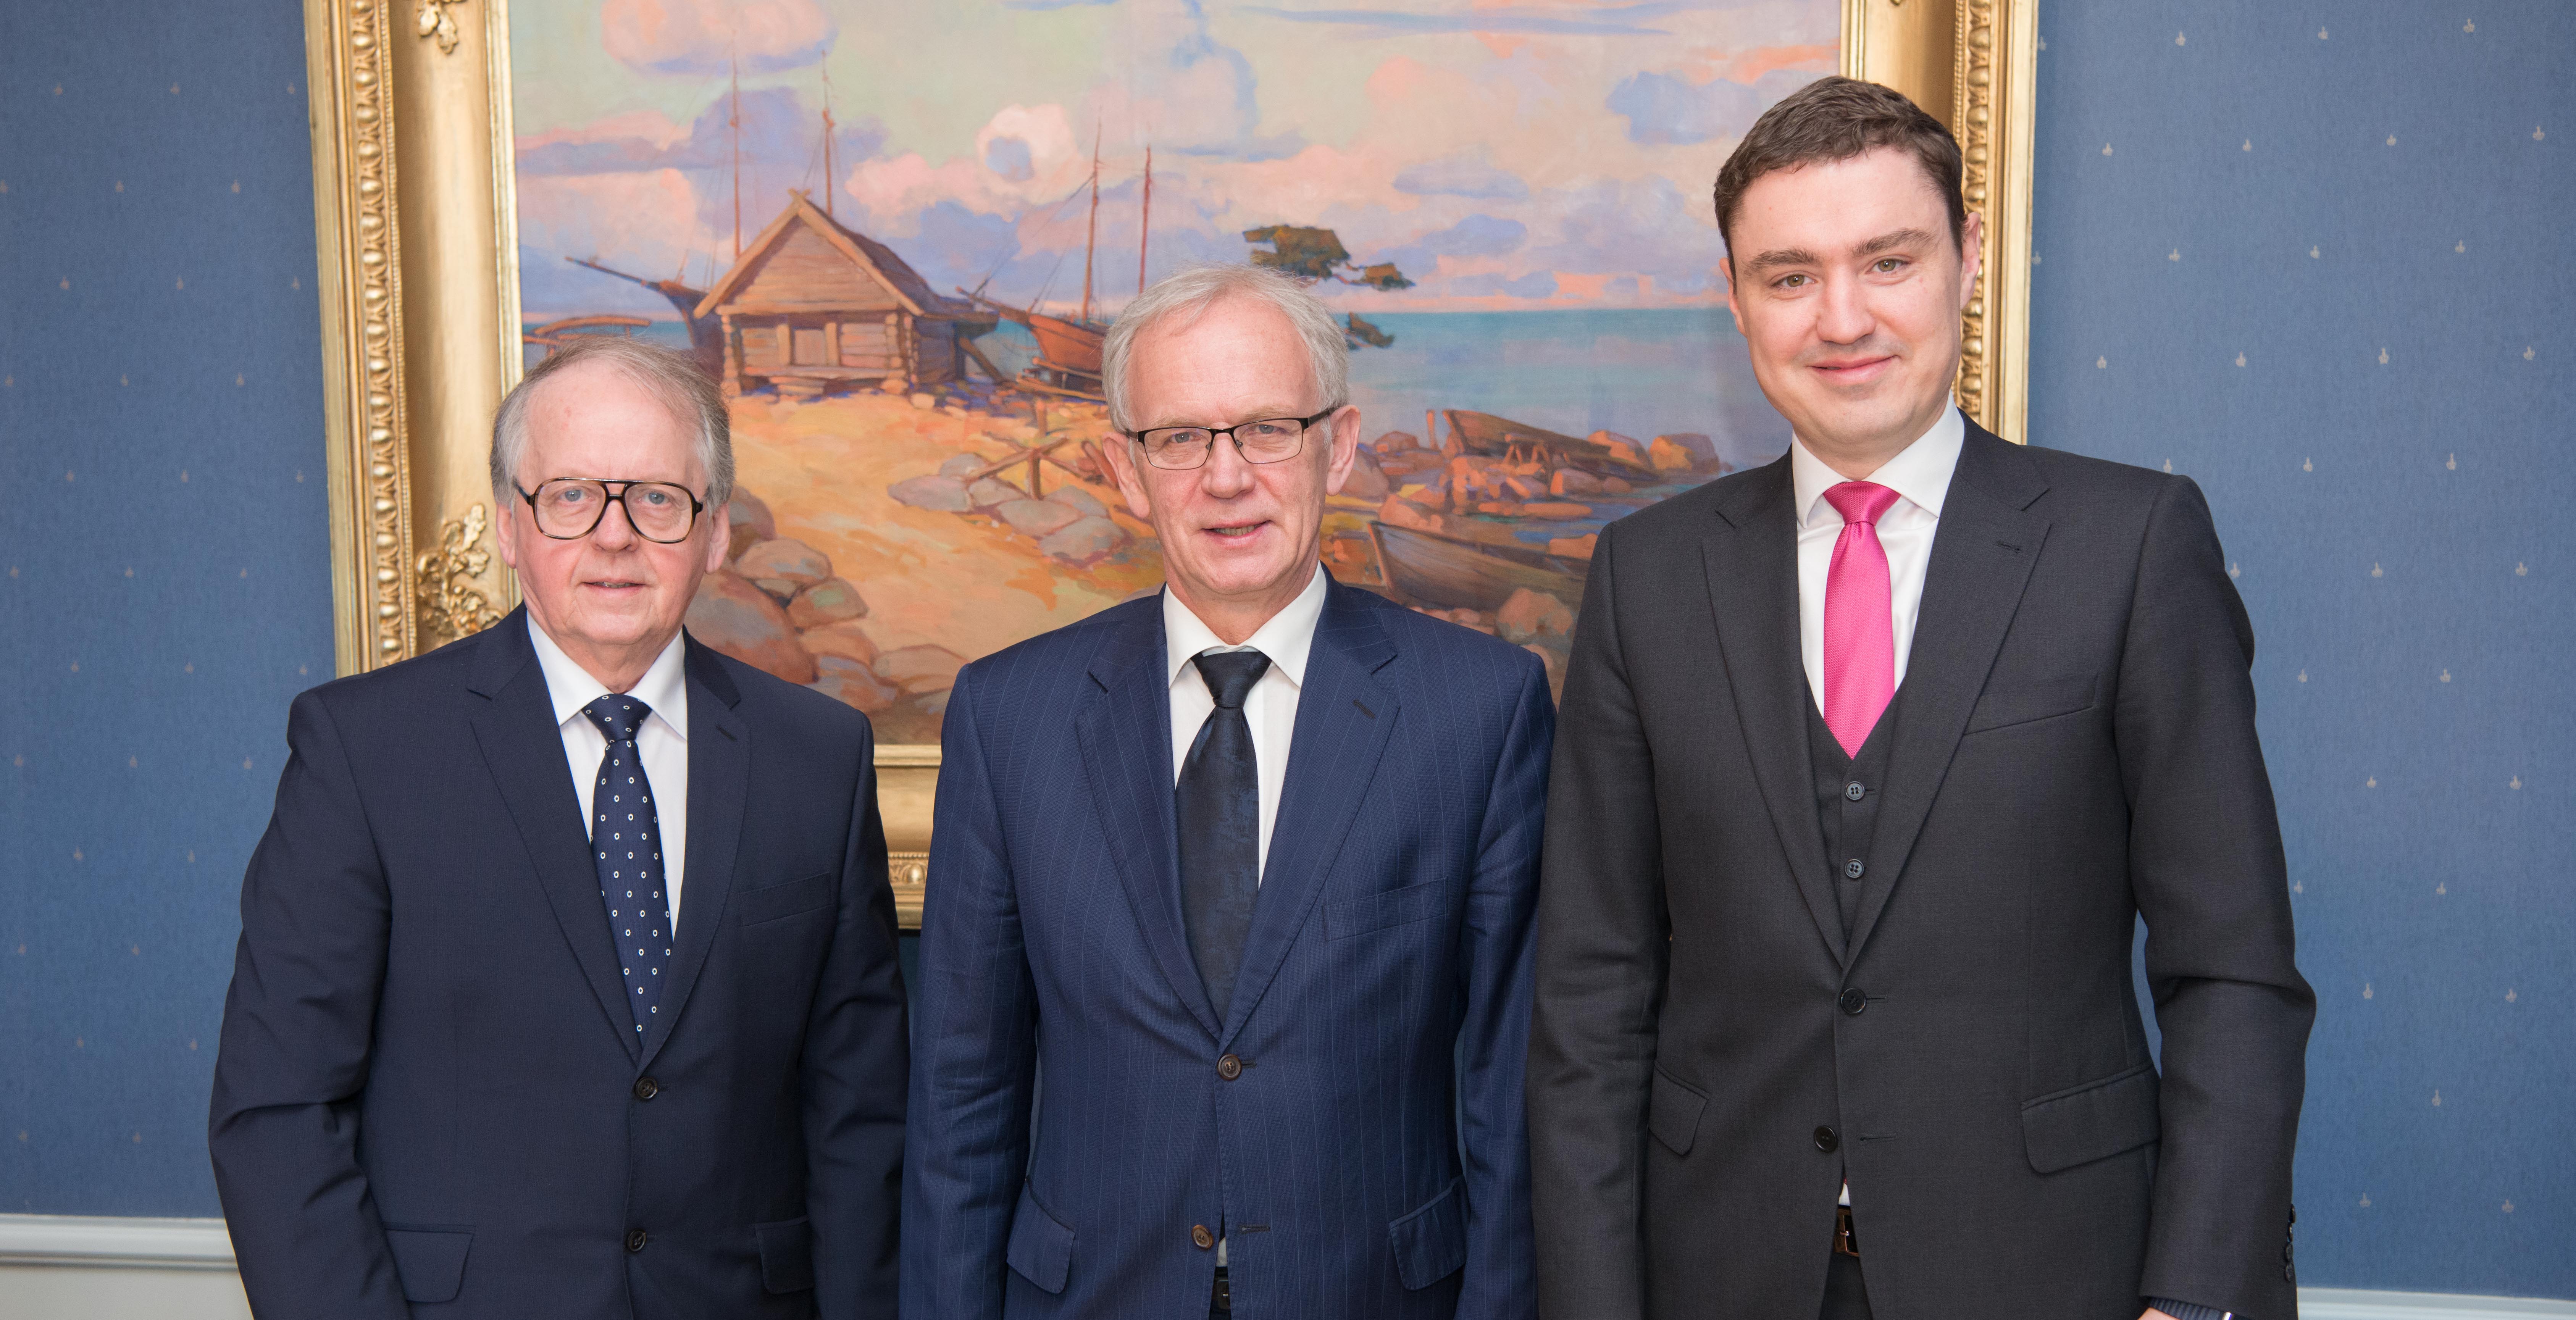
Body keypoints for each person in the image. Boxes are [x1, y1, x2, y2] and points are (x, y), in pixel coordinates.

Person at [1528, 77, 2313, 1320]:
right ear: (1733, 296)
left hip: (2055, 1273)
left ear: (1966, 258)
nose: (1840, 317)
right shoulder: (1644, 574)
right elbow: (1589, 999)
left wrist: (2192, 1298)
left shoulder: (2128, 545)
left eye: (1886, 260)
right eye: (1788, 275)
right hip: (1718, 1271)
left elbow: (2232, 974)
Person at [209, 337, 908, 1319]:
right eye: (571, 495)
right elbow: (278, 1111)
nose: (614, 536)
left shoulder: (818, 755)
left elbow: (860, 1117)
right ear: (509, 524)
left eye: (657, 498)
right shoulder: (364, 749)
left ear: (714, 532)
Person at [904, 265, 1552, 1320]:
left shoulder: (1480, 707)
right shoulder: (1006, 713)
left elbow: (1510, 1094)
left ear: (1339, 445)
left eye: (1266, 430)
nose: (1225, 476)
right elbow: (960, 1095)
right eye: (1178, 438)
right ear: (1124, 470)